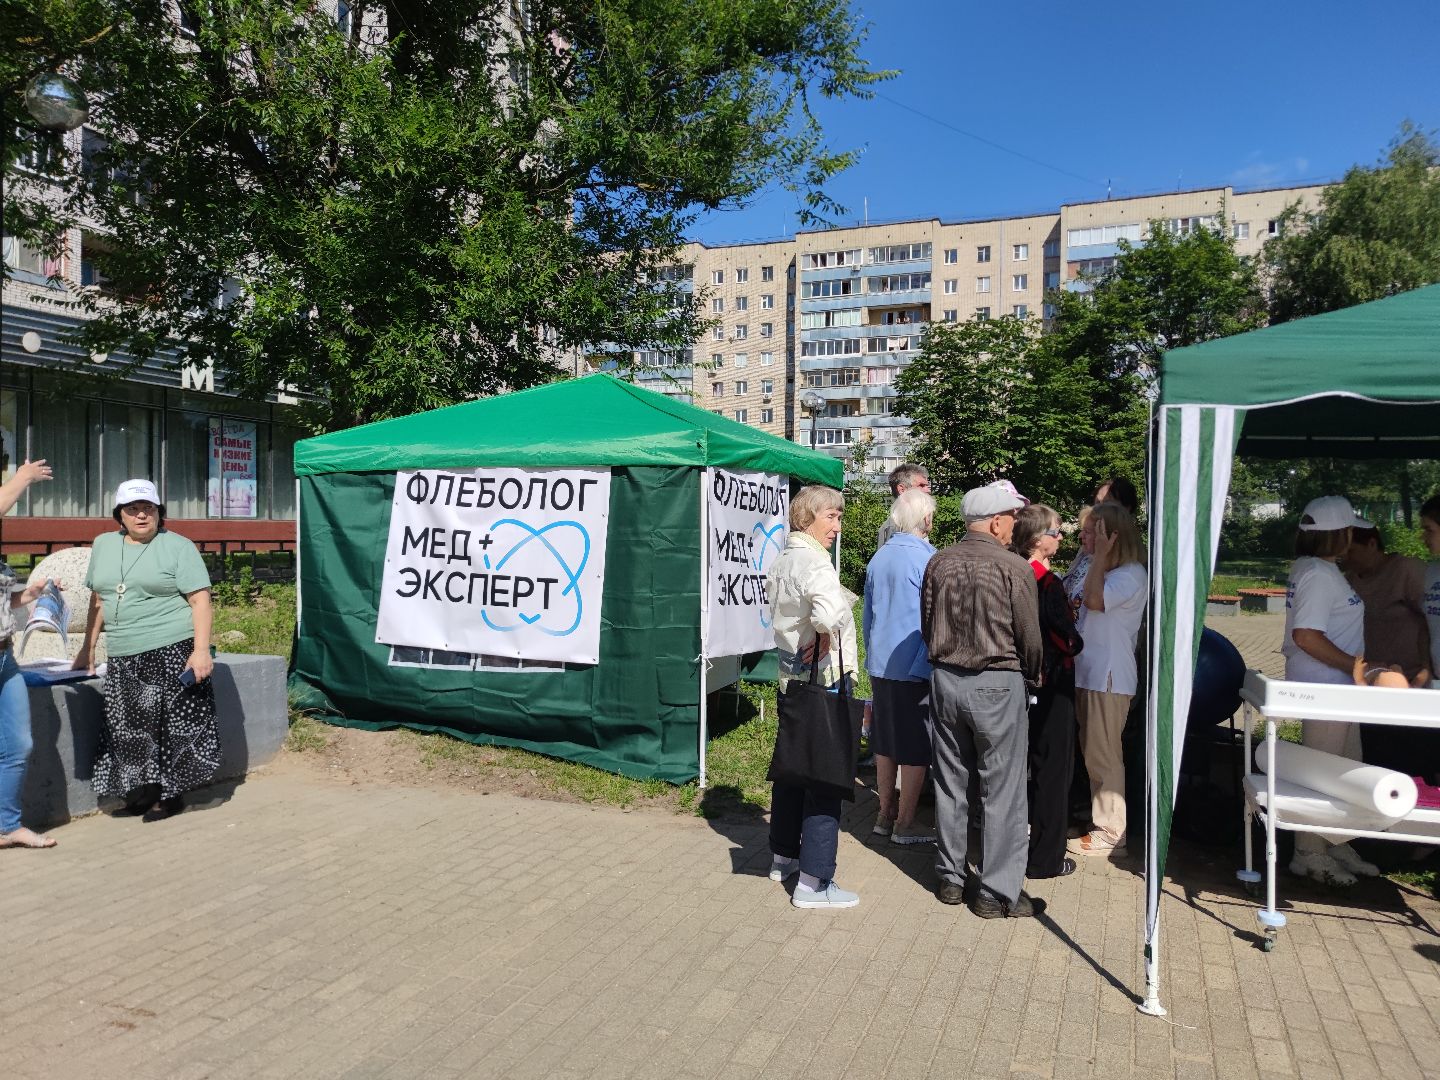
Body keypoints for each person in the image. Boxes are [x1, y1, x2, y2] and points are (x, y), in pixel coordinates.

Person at [921, 479, 1044, 918]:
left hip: (946, 680)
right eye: (1011, 518)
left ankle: (951, 877)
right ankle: (995, 891)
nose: (1014, 526)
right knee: (1003, 789)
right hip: (997, 680)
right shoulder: (1015, 568)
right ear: (995, 522)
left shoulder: (938, 562)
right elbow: (1030, 636)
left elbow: (927, 622)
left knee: (951, 781)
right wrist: (1034, 674)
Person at [73, 479, 219, 822]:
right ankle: (143, 793)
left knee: (171, 727)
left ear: (159, 512)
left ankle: (171, 796)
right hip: (125, 652)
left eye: (148, 509)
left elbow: (200, 600)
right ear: (119, 515)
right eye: (132, 509)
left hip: (170, 648)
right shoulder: (104, 545)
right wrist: (88, 648)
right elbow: (99, 600)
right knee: (129, 729)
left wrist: (201, 651)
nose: (141, 516)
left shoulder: (179, 547)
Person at [766, 484, 860, 909]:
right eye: (831, 517)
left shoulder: (784, 557)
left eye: (839, 517)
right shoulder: (815, 561)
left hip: (792, 679)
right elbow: (829, 612)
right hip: (822, 681)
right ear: (807, 518)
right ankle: (814, 882)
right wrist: (826, 632)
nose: (837, 527)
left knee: (791, 771)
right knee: (824, 778)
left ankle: (782, 856)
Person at [1280, 495, 1381, 885]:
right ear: (1340, 533)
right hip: (1324, 688)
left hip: (1336, 689)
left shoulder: (1317, 568)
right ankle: (1307, 852)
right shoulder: (1319, 575)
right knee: (1322, 775)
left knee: (1344, 769)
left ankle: (1333, 841)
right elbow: (1306, 635)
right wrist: (1354, 667)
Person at [1069, 503, 1147, 858]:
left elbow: (1095, 600)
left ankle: (1112, 831)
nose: (1082, 537)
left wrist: (1099, 555)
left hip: (1108, 677)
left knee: (1103, 755)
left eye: (1090, 532)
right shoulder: (1109, 570)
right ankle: (1103, 822)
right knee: (1093, 752)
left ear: (1110, 537)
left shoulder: (1129, 574)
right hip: (1091, 673)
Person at [863, 487, 938, 846]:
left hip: (881, 663)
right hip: (913, 665)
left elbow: (868, 615)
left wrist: (870, 656)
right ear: (926, 519)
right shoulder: (927, 560)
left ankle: (884, 813)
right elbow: (933, 619)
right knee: (914, 746)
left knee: (885, 741)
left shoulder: (879, 558)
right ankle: (906, 822)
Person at [1011, 504, 1083, 879]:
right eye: (1056, 532)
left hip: (1016, 684)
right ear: (1038, 540)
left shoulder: (1010, 571)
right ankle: (1047, 859)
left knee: (1016, 771)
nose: (1061, 537)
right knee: (1054, 771)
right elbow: (1066, 638)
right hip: (1052, 685)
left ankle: (1012, 850)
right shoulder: (1046, 583)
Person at [0, 460, 59, 850]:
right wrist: (21, 478)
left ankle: (7, 826)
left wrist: (31, 596)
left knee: (19, 744)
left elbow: (7, 602)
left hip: (5, 658)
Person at [876, 463, 931, 549]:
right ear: (902, 489)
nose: (927, 490)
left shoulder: (919, 521)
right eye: (921, 485)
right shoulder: (894, 526)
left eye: (927, 485)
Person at [1424, 494, 1440, 690]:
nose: (1423, 537)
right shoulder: (1432, 571)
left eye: (1429, 530)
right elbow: (1425, 626)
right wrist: (1426, 669)